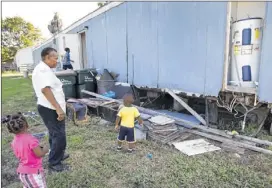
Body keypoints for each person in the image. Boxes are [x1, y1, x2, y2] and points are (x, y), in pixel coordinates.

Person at [32, 47, 69, 172]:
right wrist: (58, 108)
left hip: (51, 107)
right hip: (50, 108)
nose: (57, 61)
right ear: (47, 57)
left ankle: (57, 154)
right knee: (58, 135)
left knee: (55, 134)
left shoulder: (46, 69)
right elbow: (45, 90)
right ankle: (54, 163)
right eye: (55, 58)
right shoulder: (42, 70)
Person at [2, 113, 49, 188]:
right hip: (33, 173)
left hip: (22, 172)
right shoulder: (31, 139)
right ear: (27, 125)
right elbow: (39, 154)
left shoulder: (14, 142)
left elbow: (24, 152)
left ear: (11, 130)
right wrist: (45, 149)